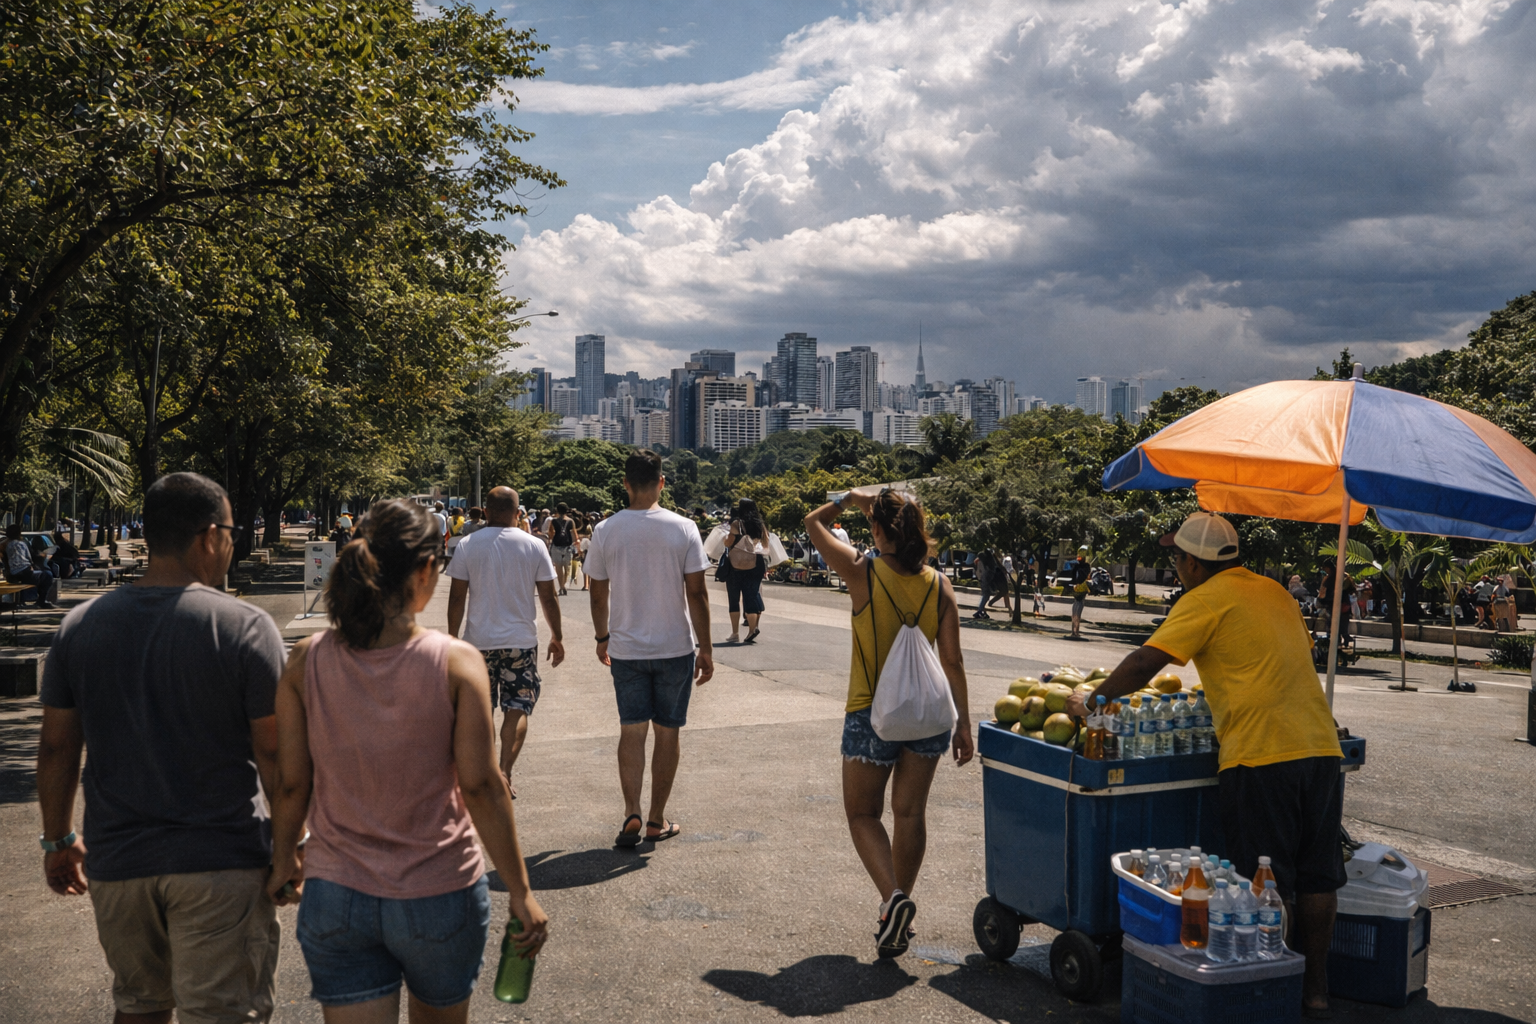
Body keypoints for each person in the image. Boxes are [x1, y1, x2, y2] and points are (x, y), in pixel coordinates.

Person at [266, 498, 548, 1022]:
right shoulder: (456, 662)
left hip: (336, 893)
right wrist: (520, 890)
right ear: (425, 569)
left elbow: (290, 784)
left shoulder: (306, 659)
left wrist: (285, 856)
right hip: (438, 892)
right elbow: (482, 786)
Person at [1066, 512, 1344, 1016]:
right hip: (1321, 748)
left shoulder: (1205, 599)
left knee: (1264, 884)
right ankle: (1315, 990)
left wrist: (1092, 700)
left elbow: (1149, 661)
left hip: (1261, 754)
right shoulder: (1275, 592)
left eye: (1177, 558)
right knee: (1319, 875)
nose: (1175, 566)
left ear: (1194, 563)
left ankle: (1266, 988)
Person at [36, 472, 285, 1022]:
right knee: (223, 1011)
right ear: (207, 536)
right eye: (230, 529)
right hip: (222, 862)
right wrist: (291, 847)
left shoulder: (81, 626)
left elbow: (57, 748)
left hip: (119, 863)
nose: (232, 541)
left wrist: (58, 839)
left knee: (140, 1006)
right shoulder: (245, 627)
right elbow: (274, 755)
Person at [804, 487, 973, 960]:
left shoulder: (863, 573)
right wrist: (964, 724)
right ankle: (895, 915)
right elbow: (953, 661)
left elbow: (812, 523)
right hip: (930, 716)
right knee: (910, 814)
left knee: (863, 815)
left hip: (870, 714)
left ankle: (892, 899)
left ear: (877, 530)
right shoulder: (940, 585)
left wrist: (848, 498)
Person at [583, 450, 713, 848]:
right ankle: (657, 819)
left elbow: (597, 591)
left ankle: (631, 811)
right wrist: (705, 648)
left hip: (627, 649)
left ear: (625, 483)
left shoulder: (606, 530)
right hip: (675, 646)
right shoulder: (684, 527)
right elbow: (697, 592)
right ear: (661, 482)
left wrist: (602, 637)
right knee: (668, 734)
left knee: (632, 730)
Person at [448, 487, 564, 797]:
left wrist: (451, 638)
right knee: (518, 707)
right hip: (521, 644)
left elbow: (457, 596)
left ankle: (482, 774)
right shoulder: (534, 545)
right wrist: (557, 636)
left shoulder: (467, 544)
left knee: (481, 711)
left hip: (477, 645)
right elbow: (549, 597)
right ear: (518, 513)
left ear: (485, 511)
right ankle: (504, 770)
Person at [724, 498, 769, 643]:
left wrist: (725, 539)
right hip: (755, 565)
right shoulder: (760, 525)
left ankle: (735, 633)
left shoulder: (737, 523)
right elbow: (766, 543)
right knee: (751, 596)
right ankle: (752, 630)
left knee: (734, 599)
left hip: (736, 566)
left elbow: (729, 542)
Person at [4, 523, 55, 608]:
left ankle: (31, 599)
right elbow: (29, 557)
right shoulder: (21, 544)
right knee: (48, 575)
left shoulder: (8, 545)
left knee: (40, 575)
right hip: (24, 571)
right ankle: (41, 601)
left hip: (14, 572)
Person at [545, 503, 578, 596]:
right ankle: (564, 585)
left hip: (556, 545)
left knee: (558, 567)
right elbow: (574, 534)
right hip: (567, 546)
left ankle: (561, 587)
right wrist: (577, 545)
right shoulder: (571, 521)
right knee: (567, 567)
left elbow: (551, 533)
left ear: (557, 510)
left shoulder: (553, 521)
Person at [1065, 544, 1092, 638]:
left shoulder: (1085, 567)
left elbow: (1082, 577)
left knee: (1077, 612)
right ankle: (1073, 631)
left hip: (1082, 591)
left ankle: (1076, 632)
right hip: (1076, 590)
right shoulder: (1076, 566)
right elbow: (1073, 577)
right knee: (1074, 612)